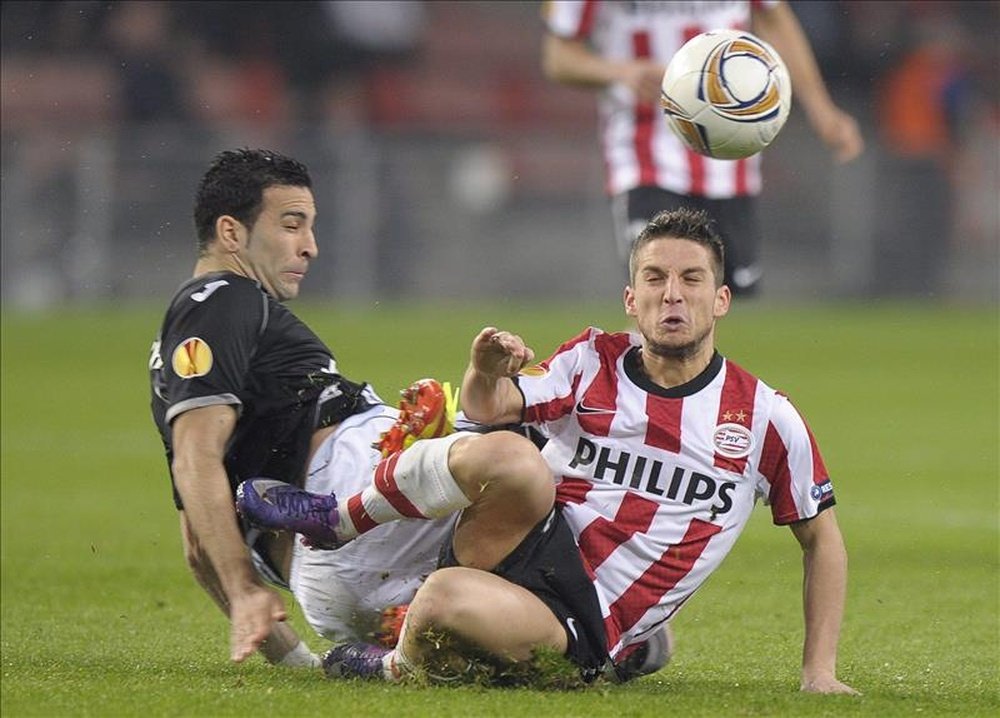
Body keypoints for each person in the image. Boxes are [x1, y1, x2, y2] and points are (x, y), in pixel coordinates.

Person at [241, 207, 858, 694]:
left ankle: (393, 666)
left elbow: (822, 538)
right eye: (655, 278)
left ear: (720, 300)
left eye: (692, 279)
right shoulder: (593, 358)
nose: (673, 295)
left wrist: (818, 671)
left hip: (582, 616)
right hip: (524, 537)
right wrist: (482, 369)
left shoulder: (764, 417)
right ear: (630, 297)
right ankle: (338, 517)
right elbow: (484, 414)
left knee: (441, 601)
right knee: (513, 457)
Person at [148, 148, 457, 667]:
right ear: (231, 234)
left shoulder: (183, 363)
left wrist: (294, 660)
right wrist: (246, 592)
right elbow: (194, 460)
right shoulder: (224, 297)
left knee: (512, 630)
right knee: (541, 449)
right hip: (354, 503)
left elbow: (198, 545)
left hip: (329, 590)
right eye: (292, 225)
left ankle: (382, 666)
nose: (309, 247)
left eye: (310, 227)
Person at [540, 0, 864, 295]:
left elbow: (775, 19)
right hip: (644, 154)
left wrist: (821, 109)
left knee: (724, 302)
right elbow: (558, 56)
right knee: (662, 290)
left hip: (730, 157)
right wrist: (621, 72)